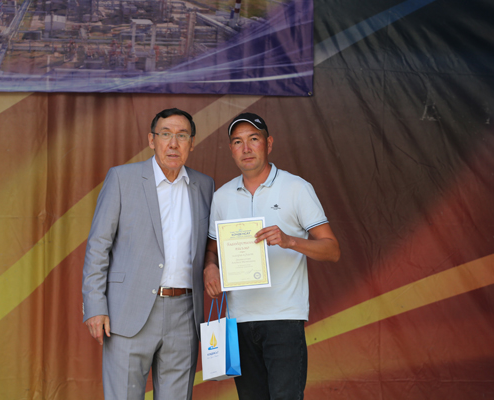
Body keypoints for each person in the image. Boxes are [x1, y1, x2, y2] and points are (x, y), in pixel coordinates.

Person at [203, 112, 340, 400]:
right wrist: (210, 268)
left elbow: (332, 250)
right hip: (239, 321)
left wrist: (290, 241)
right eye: (238, 142)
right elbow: (211, 250)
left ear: (269, 143)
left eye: (254, 139)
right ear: (231, 149)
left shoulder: (296, 188)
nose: (246, 148)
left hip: (284, 319)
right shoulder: (222, 196)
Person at [82, 108, 214, 400]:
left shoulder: (204, 185)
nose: (173, 143)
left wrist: (212, 266)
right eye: (165, 134)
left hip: (184, 314)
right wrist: (95, 305)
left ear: (192, 143)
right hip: (127, 311)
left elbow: (209, 244)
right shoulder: (122, 178)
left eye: (182, 136)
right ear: (152, 140)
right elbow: (98, 245)